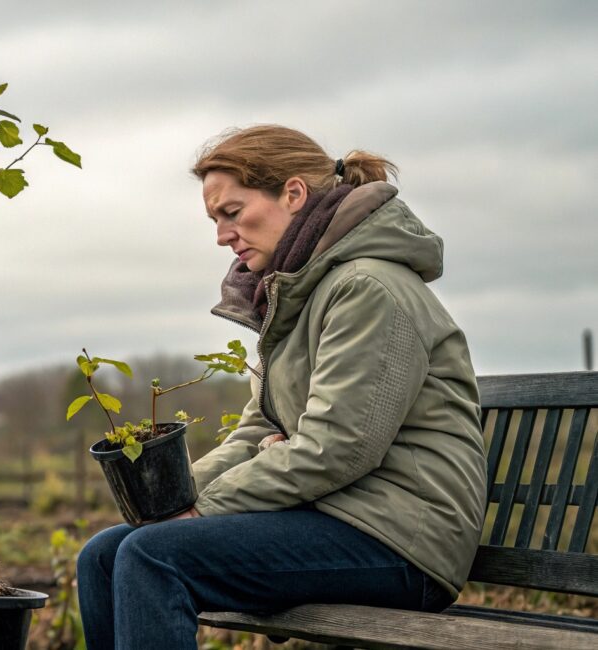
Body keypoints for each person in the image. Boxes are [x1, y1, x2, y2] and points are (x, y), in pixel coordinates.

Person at [76, 125, 487, 649]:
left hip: (402, 537)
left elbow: (338, 447)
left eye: (232, 212)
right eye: (215, 220)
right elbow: (259, 428)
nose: (222, 236)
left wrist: (203, 509)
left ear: (293, 194)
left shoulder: (367, 289)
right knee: (104, 554)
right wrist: (171, 501)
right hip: (335, 517)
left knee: (153, 555)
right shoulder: (300, 292)